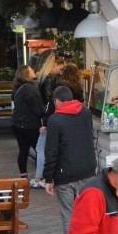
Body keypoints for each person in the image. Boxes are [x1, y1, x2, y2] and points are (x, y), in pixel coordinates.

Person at [44, 85, 98, 234]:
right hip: (87, 170)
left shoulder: (54, 120)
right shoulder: (86, 113)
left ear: (56, 101)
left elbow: (51, 151)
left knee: (68, 214)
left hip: (65, 174)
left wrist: (48, 178)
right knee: (87, 213)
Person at [31, 51, 67, 189]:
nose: (60, 70)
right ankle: (41, 177)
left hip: (49, 119)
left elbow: (46, 103)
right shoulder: (52, 80)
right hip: (51, 119)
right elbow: (49, 103)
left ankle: (40, 177)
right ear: (55, 65)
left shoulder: (43, 78)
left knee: (43, 148)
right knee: (44, 148)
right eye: (59, 67)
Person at [11, 65, 45, 181]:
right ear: (26, 74)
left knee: (23, 150)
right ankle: (41, 177)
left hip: (17, 124)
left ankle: (23, 176)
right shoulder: (31, 88)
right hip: (30, 125)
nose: (34, 70)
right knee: (40, 150)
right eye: (31, 70)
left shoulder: (17, 88)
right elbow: (39, 109)